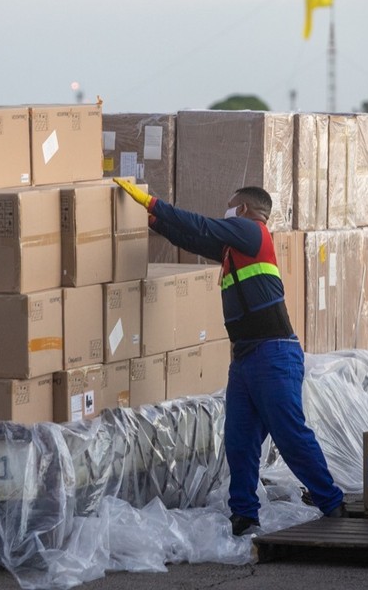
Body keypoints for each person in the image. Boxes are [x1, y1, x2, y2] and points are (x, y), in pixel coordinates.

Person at [113, 178, 346, 536]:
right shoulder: (232, 248)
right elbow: (189, 238)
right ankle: (245, 515)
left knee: (289, 434)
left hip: (273, 353)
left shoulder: (252, 231)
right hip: (245, 358)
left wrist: (153, 202)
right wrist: (151, 221)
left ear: (244, 210)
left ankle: (332, 503)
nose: (226, 210)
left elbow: (201, 225)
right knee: (239, 440)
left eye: (230, 204)